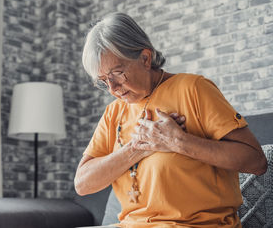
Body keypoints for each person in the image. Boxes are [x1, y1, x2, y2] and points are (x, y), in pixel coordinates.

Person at [74, 12, 267, 228]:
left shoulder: (194, 89)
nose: (112, 89)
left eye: (117, 74)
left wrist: (178, 142)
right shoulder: (114, 112)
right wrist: (136, 147)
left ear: (145, 58)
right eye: (103, 81)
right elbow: (83, 184)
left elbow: (256, 162)